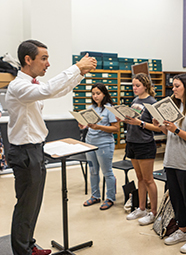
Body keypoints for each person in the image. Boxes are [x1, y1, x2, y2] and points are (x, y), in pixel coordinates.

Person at [6, 39, 96, 255]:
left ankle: (28, 243)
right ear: (28, 60)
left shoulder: (33, 85)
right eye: (43, 59)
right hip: (24, 152)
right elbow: (48, 90)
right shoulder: (18, 86)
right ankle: (22, 250)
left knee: (34, 203)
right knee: (26, 204)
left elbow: (56, 91)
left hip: (35, 150)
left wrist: (79, 75)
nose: (48, 64)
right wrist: (75, 67)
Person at [153, 73, 186, 254]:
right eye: (173, 86)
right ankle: (182, 229)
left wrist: (176, 129)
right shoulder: (178, 106)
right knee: (177, 199)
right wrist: (161, 125)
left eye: (177, 86)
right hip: (173, 161)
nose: (173, 89)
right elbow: (170, 132)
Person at [123, 73, 162, 226]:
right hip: (132, 142)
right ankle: (141, 207)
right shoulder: (135, 101)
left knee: (148, 179)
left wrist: (140, 123)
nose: (134, 88)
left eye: (137, 85)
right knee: (139, 178)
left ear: (145, 86)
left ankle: (153, 211)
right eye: (133, 85)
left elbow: (158, 128)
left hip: (145, 143)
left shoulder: (152, 103)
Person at [81, 83, 120, 210]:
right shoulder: (91, 108)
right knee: (93, 171)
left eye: (98, 93)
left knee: (107, 172)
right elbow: (88, 125)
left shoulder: (109, 109)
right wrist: (83, 126)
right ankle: (95, 196)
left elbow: (116, 128)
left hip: (104, 144)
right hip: (90, 143)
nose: (95, 96)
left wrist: (99, 127)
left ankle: (110, 198)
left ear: (104, 94)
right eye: (93, 94)